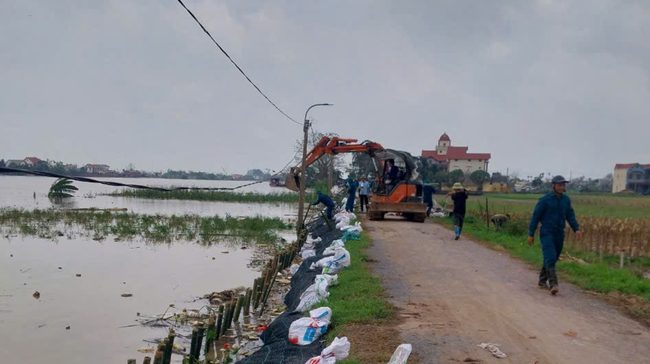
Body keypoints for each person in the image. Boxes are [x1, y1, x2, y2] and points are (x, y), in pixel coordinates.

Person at [528, 175, 582, 295]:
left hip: (559, 233)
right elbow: (535, 217)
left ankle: (542, 281)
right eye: (559, 185)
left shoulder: (566, 200)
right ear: (553, 186)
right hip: (546, 232)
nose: (562, 187)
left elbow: (570, 215)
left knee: (553, 257)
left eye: (563, 185)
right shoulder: (544, 200)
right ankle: (554, 284)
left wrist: (576, 229)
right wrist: (531, 234)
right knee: (550, 256)